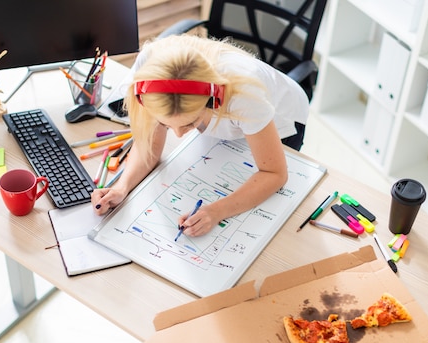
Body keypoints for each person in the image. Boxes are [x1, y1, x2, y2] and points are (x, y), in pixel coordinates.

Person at [91, 34, 310, 237]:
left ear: (213, 102)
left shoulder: (245, 95)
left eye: (189, 123)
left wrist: (217, 211)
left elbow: (274, 174)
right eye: (165, 123)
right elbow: (150, 146)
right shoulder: (149, 67)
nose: (177, 134)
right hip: (225, 122)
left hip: (283, 120)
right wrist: (122, 186)